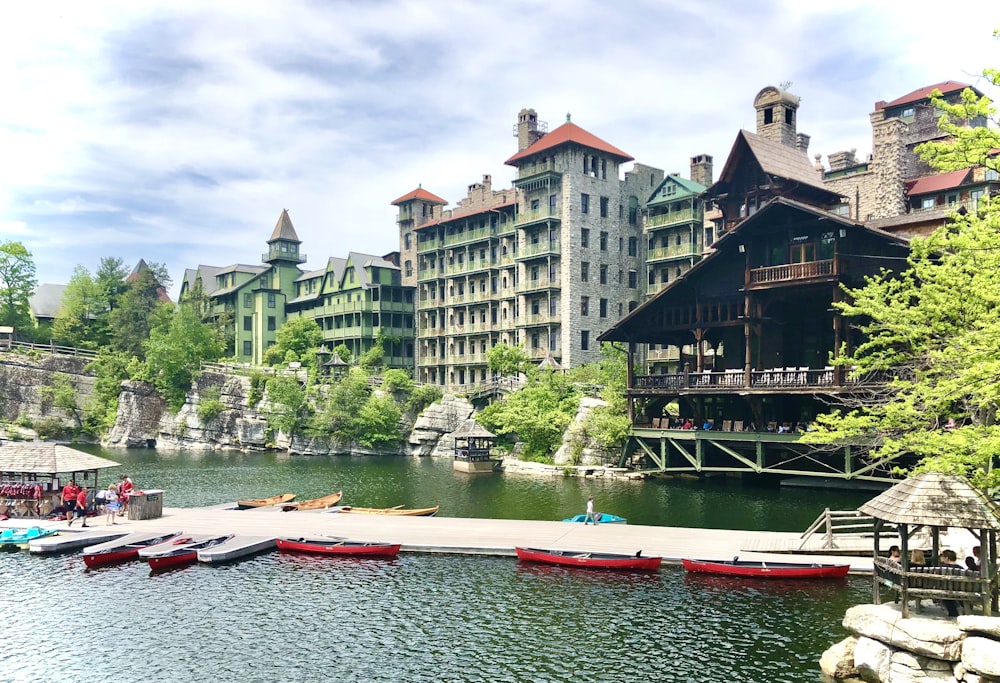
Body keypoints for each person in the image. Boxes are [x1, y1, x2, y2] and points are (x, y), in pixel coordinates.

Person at [939, 550, 965, 617]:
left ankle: (953, 613)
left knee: (946, 594)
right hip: (959, 590)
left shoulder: (942, 567)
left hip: (945, 590)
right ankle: (960, 608)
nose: (941, 558)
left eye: (942, 556)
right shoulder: (961, 568)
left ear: (947, 558)